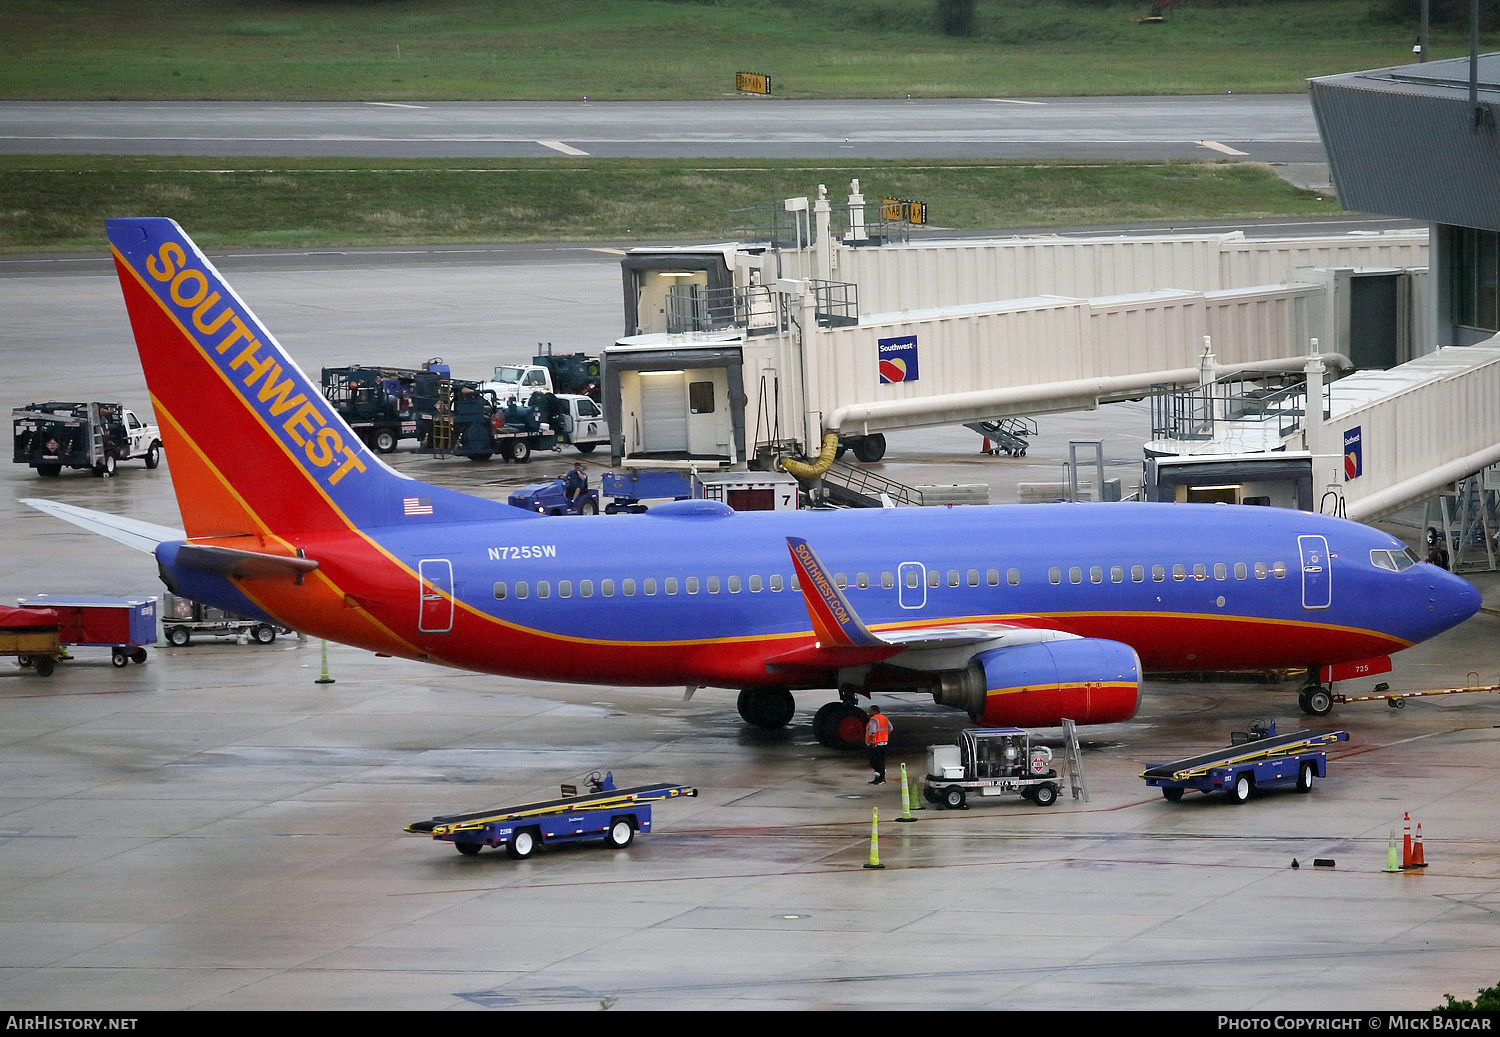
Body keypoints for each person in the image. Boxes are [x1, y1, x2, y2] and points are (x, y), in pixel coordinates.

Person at [865, 705, 891, 785]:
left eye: (870, 711)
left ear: (874, 711)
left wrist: (871, 741)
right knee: (881, 761)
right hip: (884, 743)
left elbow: (872, 731)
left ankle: (880, 778)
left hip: (875, 744)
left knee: (875, 762)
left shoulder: (873, 720)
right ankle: (879, 777)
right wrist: (885, 735)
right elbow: (891, 728)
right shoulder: (884, 718)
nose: (869, 713)